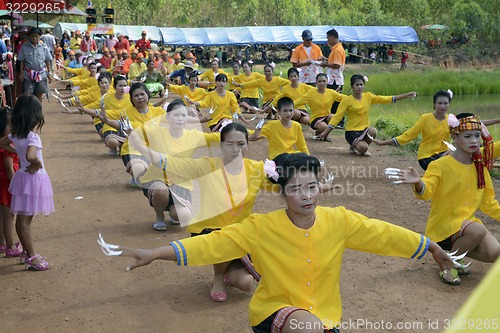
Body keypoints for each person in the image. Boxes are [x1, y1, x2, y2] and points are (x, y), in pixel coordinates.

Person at [107, 152, 452, 331]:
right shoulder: (260, 227)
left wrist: (432, 247)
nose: (306, 195)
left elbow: (384, 234)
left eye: (312, 187)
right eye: (296, 189)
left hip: (325, 316)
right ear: (282, 193)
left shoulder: (340, 221)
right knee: (308, 329)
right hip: (274, 312)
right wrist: (156, 252)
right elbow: (211, 244)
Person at [395, 113, 500, 285]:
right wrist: (419, 183)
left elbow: (488, 203)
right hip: (443, 227)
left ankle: (457, 254)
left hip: (466, 225)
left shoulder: (480, 168)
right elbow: (427, 191)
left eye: (476, 135)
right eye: (467, 136)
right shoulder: (440, 165)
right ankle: (447, 266)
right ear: (455, 137)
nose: (474, 141)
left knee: (495, 252)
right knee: (478, 231)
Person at [132, 99, 220, 230]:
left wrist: (247, 134)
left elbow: (217, 137)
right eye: (176, 115)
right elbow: (132, 127)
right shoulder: (156, 132)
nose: (180, 119)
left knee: (183, 216)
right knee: (161, 191)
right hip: (157, 178)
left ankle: (173, 212)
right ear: (167, 117)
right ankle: (159, 216)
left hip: (181, 182)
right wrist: (107, 119)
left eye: (183, 115)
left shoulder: (194, 136)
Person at [0, 95, 55, 270]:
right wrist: (36, 163)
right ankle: (32, 257)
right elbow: (32, 155)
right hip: (33, 179)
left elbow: (1, 142)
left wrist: (16, 151)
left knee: (21, 219)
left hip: (22, 178)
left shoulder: (15, 134)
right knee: (25, 221)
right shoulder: (33, 137)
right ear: (34, 116)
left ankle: (26, 252)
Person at [317, 74, 416, 155]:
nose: (360, 87)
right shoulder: (346, 100)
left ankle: (358, 146)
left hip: (364, 129)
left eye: (361, 84)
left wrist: (405, 95)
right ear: (352, 86)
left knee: (373, 131)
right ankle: (355, 145)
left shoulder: (368, 96)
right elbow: (337, 117)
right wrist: (325, 132)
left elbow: (386, 99)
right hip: (351, 131)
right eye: (357, 85)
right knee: (364, 149)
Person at [99, 83, 165, 186]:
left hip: (154, 149)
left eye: (142, 94)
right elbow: (119, 124)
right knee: (139, 170)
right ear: (131, 99)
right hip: (133, 150)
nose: (140, 98)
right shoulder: (125, 112)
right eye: (136, 96)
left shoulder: (159, 112)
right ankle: (137, 175)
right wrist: (106, 120)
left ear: (148, 95)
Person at [293, 73, 345, 142]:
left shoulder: (331, 93)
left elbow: (344, 98)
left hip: (327, 116)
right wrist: (287, 106)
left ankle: (324, 134)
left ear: (327, 81)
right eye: (319, 81)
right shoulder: (311, 93)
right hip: (315, 118)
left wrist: (355, 98)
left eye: (324, 81)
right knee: (324, 127)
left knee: (333, 117)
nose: (322, 83)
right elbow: (300, 101)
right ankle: (320, 132)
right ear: (316, 82)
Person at [0, 107, 22, 258]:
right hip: (7, 184)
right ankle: (11, 246)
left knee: (2, 216)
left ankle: (2, 242)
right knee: (9, 217)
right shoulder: (6, 147)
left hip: (2, 183)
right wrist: (16, 186)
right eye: (11, 124)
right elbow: (9, 168)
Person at [100, 75, 133, 156]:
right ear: (114, 87)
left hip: (126, 125)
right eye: (120, 85)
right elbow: (98, 110)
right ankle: (113, 147)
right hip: (110, 125)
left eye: (125, 86)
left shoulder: (131, 97)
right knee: (112, 142)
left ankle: (122, 145)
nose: (122, 88)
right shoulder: (106, 98)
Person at [18, 27, 53, 102]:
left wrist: (49, 73)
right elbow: (21, 61)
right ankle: (29, 112)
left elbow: (47, 60)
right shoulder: (24, 47)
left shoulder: (44, 47)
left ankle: (38, 111)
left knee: (39, 94)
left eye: (36, 36)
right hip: (28, 75)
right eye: (32, 36)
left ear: (39, 36)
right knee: (28, 95)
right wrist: (21, 74)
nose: (34, 38)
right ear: (29, 36)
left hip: (41, 75)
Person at [322, 28, 346, 127]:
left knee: (336, 101)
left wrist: (326, 65)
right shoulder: (336, 49)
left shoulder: (337, 49)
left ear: (332, 37)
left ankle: (339, 121)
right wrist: (326, 61)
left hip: (335, 80)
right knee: (333, 101)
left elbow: (337, 65)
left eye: (328, 38)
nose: (327, 40)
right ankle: (333, 120)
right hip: (333, 79)